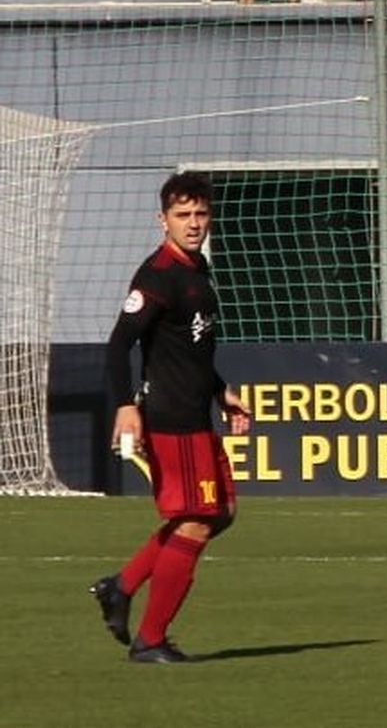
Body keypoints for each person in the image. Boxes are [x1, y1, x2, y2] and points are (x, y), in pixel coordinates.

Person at [90, 171, 252, 664]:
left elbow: (191, 350)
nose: (194, 222)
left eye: (201, 213)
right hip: (170, 420)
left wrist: (222, 393)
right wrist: (125, 408)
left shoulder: (197, 269)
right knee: (197, 523)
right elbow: (119, 344)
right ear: (162, 220)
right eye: (183, 215)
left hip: (196, 415)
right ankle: (151, 639)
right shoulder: (157, 275)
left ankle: (122, 585)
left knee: (219, 514)